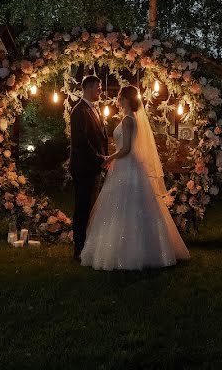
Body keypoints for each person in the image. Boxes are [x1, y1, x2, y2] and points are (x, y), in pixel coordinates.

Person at [79, 85, 190, 271]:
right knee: (120, 206)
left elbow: (127, 149)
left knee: (128, 206)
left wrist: (109, 158)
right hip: (124, 165)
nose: (117, 100)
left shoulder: (129, 120)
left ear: (125, 99)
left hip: (128, 165)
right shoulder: (127, 119)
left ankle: (131, 251)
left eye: (119, 97)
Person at [69, 75, 108, 260]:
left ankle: (88, 245)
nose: (100, 91)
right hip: (84, 167)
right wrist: (99, 159)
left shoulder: (95, 110)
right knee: (82, 208)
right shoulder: (79, 111)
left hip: (94, 167)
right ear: (89, 88)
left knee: (91, 206)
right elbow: (81, 142)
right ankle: (79, 249)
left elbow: (100, 138)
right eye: (98, 88)